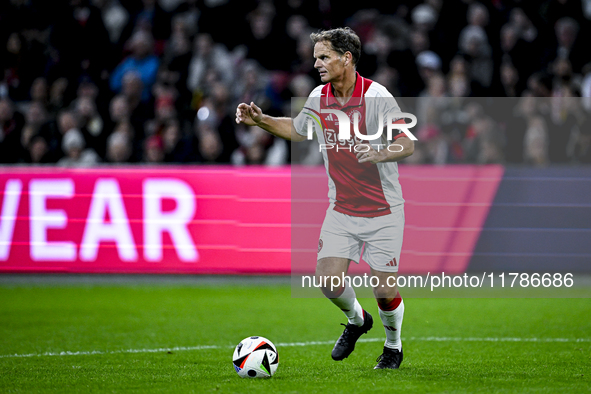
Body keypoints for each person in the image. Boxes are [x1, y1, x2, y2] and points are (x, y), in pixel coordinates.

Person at [235, 27, 414, 370]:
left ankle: (393, 347)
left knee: (384, 291)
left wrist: (379, 152)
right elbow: (297, 130)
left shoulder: (376, 96)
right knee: (328, 282)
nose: (316, 63)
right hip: (342, 209)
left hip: (384, 210)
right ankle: (357, 320)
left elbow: (406, 143)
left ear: (346, 58)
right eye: (315, 57)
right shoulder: (319, 97)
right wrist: (261, 121)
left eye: (323, 56)